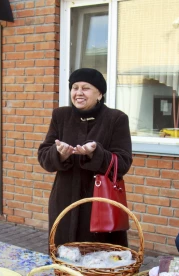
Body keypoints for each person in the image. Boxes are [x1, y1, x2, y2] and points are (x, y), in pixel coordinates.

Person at [38, 68, 132, 247]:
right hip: (64, 201)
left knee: (99, 262)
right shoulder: (60, 116)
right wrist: (59, 154)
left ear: (100, 93)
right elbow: (44, 157)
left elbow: (123, 163)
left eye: (85, 88)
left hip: (99, 204)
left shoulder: (116, 119)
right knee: (64, 258)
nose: (78, 93)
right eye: (74, 87)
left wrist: (95, 154)